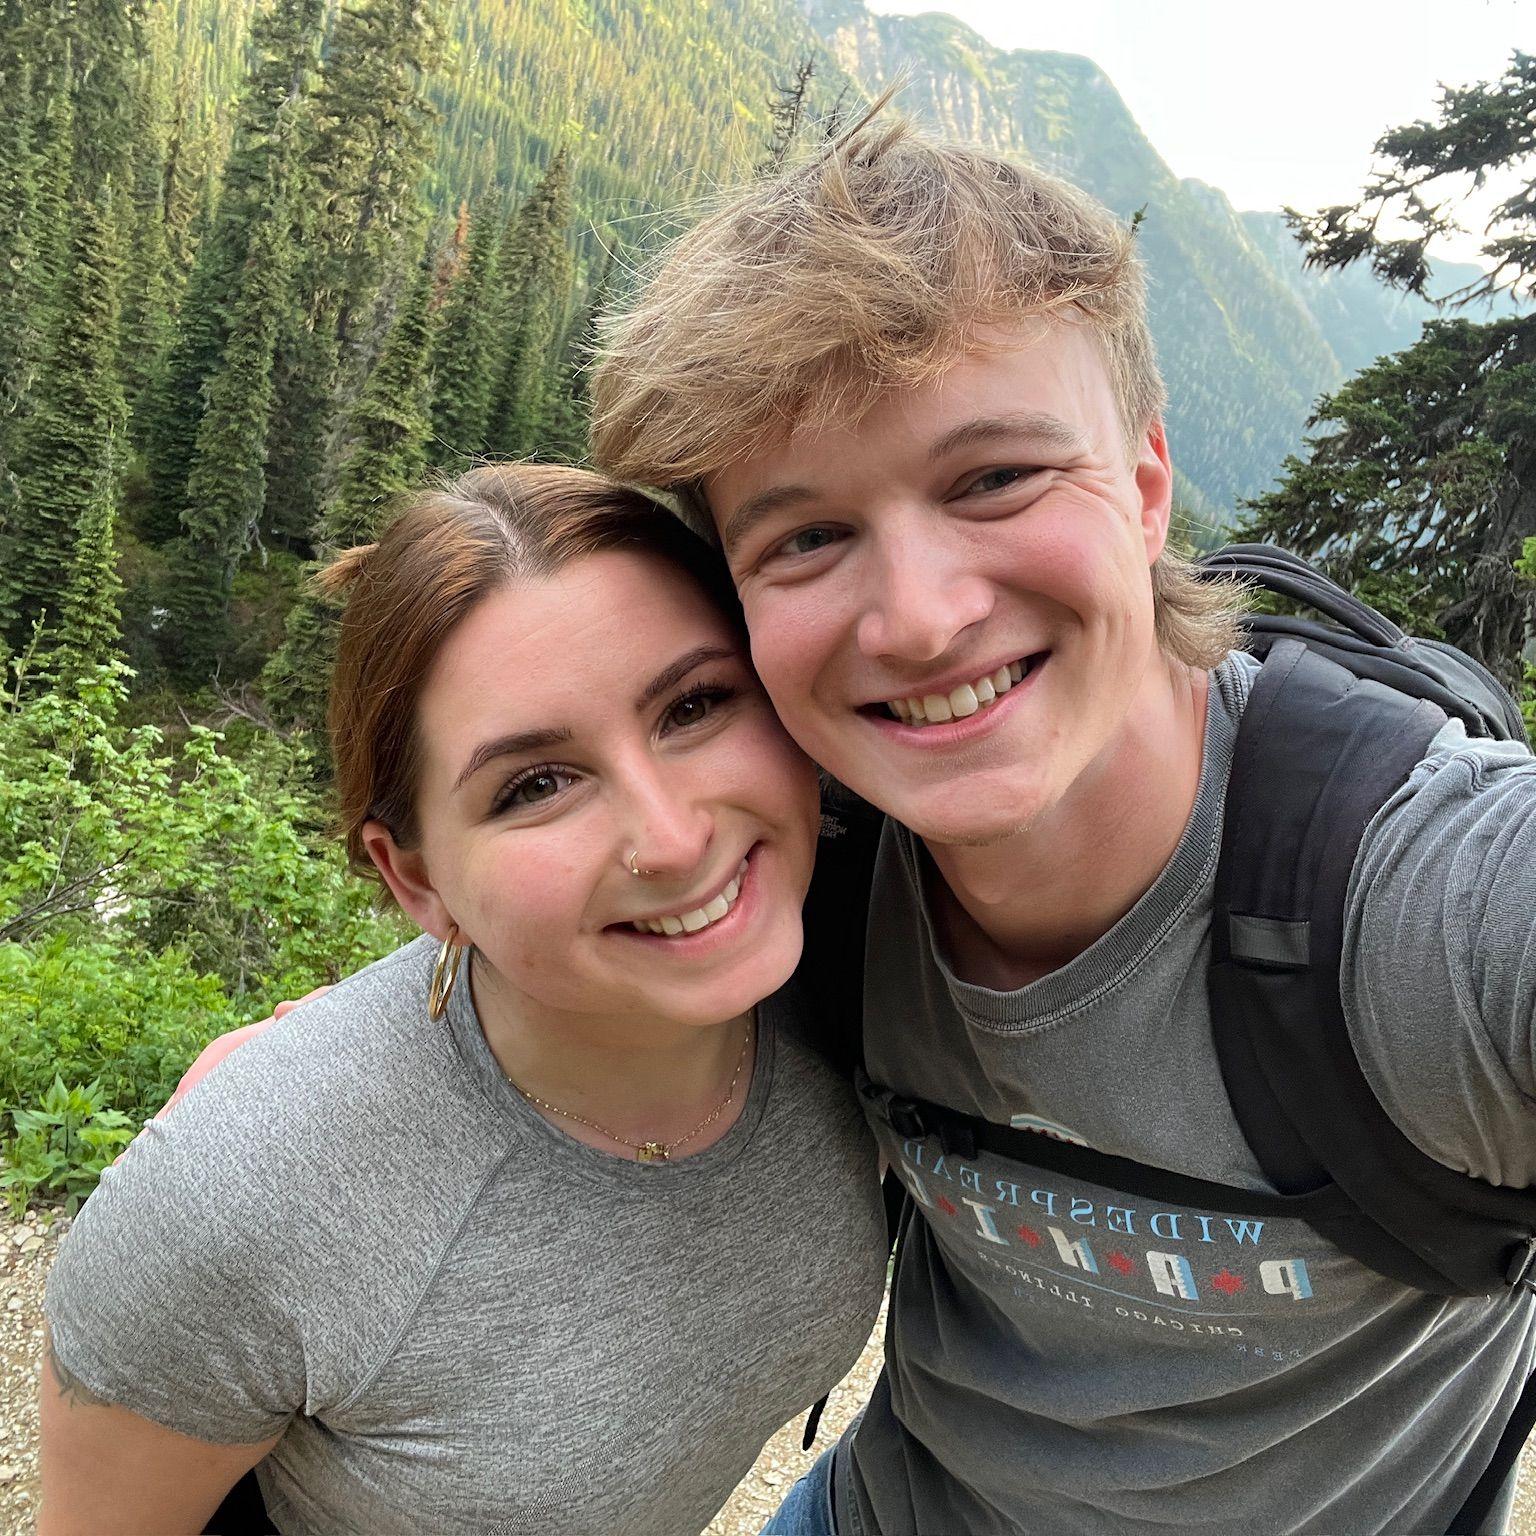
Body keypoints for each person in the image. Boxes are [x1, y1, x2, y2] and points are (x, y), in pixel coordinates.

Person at [586, 114, 1536, 1533]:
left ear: (1147, 487)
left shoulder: (1414, 900)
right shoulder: (812, 859)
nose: (916, 617)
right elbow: (539, 942)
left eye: (994, 480)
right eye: (805, 537)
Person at [37, 463, 888, 1536]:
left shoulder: (860, 961)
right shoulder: (243, 1201)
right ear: (418, 880)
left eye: (697, 703)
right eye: (535, 784)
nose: (674, 839)